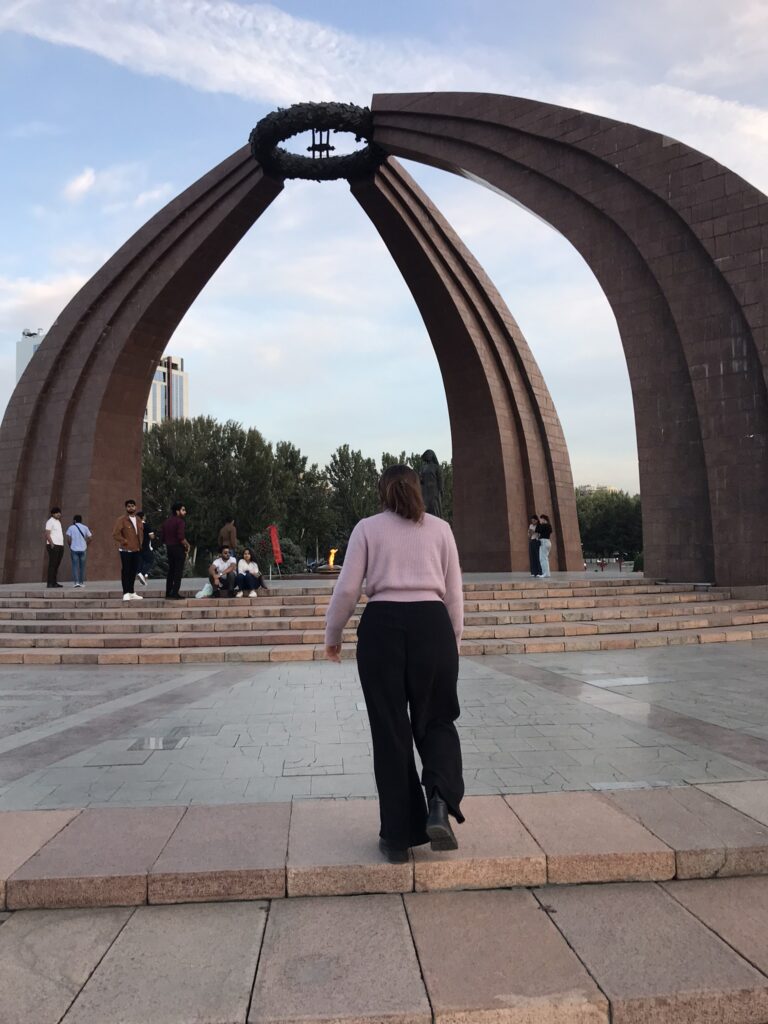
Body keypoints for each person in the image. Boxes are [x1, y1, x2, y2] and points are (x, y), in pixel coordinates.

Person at [324, 464, 465, 864]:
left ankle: (399, 837)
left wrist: (332, 637)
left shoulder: (367, 528)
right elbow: (454, 593)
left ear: (382, 492)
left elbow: (348, 588)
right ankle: (439, 800)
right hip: (432, 627)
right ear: (418, 490)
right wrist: (451, 643)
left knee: (390, 730)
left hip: (382, 627)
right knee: (437, 719)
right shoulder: (441, 529)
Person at [112, 499, 143, 601]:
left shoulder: (138, 519)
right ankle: (125, 593)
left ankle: (132, 592)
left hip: (136, 550)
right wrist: (124, 541)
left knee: (133, 571)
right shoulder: (121, 520)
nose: (131, 508)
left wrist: (140, 545)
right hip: (125, 550)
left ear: (135, 507)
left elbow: (140, 534)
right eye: (129, 506)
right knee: (126, 571)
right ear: (126, 508)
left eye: (132, 506)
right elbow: (115, 534)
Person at [160, 502, 189, 601]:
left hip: (169, 548)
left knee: (171, 571)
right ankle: (175, 592)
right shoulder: (180, 522)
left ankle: (168, 592)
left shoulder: (166, 522)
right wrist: (187, 545)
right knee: (178, 571)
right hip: (178, 548)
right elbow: (181, 537)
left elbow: (162, 537)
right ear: (177, 511)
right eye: (183, 510)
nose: (185, 512)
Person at [65, 514, 92, 587]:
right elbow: (90, 538)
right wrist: (86, 544)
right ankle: (81, 582)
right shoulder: (85, 527)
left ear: (74, 520)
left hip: (74, 549)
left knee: (75, 566)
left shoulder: (71, 527)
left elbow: (68, 538)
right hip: (83, 549)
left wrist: (70, 545)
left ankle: (76, 582)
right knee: (82, 566)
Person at [44, 506, 65, 588]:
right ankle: (49, 583)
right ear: (53, 514)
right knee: (52, 565)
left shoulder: (58, 522)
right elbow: (47, 533)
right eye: (57, 513)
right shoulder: (50, 521)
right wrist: (52, 543)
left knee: (57, 564)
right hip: (53, 545)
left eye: (59, 512)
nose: (59, 514)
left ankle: (54, 582)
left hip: (60, 545)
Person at [136, 511, 155, 585]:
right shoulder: (146, 525)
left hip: (138, 547)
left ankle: (143, 577)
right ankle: (142, 573)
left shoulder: (135, 526)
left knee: (141, 562)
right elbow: (151, 536)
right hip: (146, 547)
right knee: (150, 561)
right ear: (143, 517)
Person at [537, 513, 553, 578]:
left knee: (543, 558)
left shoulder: (544, 525)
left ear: (543, 519)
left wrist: (539, 524)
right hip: (548, 542)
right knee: (545, 558)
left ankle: (545, 573)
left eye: (541, 519)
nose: (540, 521)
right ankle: (547, 573)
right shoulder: (549, 525)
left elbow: (538, 530)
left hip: (544, 542)